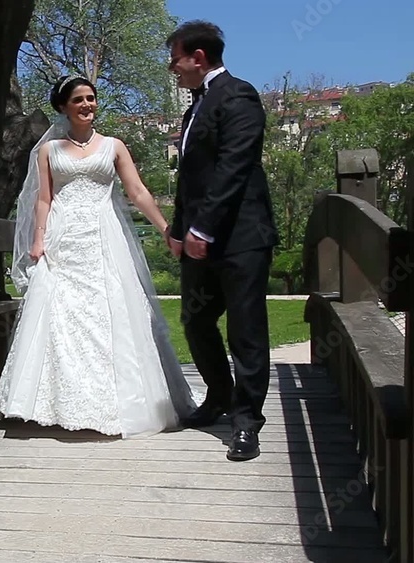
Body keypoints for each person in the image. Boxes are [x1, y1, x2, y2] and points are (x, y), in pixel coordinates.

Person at [0, 74, 203, 439]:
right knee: (62, 316)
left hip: (105, 238)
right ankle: (54, 403)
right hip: (63, 238)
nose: (87, 105)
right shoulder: (48, 151)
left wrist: (166, 227)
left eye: (91, 98)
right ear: (63, 107)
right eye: (79, 100)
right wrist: (37, 240)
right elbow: (43, 198)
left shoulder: (113, 146)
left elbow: (137, 190)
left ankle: (120, 401)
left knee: (114, 311)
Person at [165, 20, 278, 461]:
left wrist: (202, 229)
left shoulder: (240, 96)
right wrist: (179, 229)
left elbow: (235, 166)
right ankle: (219, 398)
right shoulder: (194, 107)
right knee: (196, 321)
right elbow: (191, 179)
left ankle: (247, 422)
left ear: (198, 57)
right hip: (199, 240)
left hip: (241, 237)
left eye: (175, 57)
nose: (172, 66)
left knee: (246, 330)